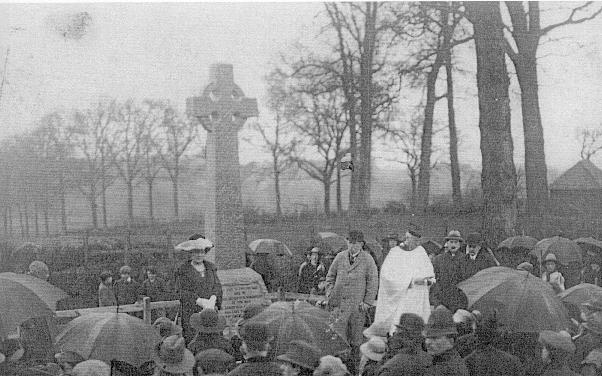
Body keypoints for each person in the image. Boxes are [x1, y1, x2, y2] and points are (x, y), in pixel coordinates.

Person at [324, 230, 379, 375]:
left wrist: (367, 302)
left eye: (355, 242)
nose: (352, 245)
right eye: (349, 242)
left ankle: (353, 372)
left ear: (361, 244)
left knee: (355, 343)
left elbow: (373, 282)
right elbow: (330, 277)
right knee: (337, 341)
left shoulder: (368, 260)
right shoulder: (340, 257)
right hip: (338, 307)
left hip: (357, 309)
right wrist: (330, 293)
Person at [367, 223, 434, 337]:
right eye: (414, 241)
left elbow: (430, 275)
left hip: (418, 297)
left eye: (418, 242)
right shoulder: (395, 253)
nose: (417, 244)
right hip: (400, 297)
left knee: (417, 328)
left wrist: (422, 281)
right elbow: (386, 275)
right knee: (401, 326)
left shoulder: (421, 251)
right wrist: (407, 282)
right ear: (407, 238)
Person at [174, 237, 223, 345]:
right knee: (194, 341)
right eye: (196, 251)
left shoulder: (211, 268)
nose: (199, 255)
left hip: (210, 312)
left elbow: (217, 286)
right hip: (192, 312)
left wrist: (213, 299)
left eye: (201, 251)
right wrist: (198, 300)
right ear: (190, 253)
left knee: (214, 339)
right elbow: (180, 291)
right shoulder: (183, 270)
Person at [423, 306, 469, 376]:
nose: (427, 342)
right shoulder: (439, 361)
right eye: (427, 337)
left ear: (451, 340)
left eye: (435, 338)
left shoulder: (452, 370)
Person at [432, 230, 468, 311]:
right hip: (442, 298)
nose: (453, 245)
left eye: (456, 242)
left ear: (460, 244)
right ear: (447, 244)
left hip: (459, 299)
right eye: (451, 242)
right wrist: (436, 299)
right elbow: (435, 279)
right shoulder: (438, 259)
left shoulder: (465, 259)